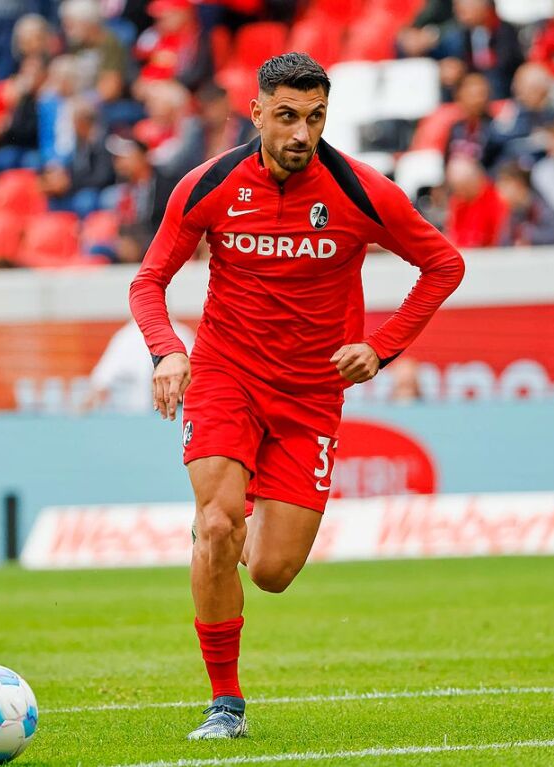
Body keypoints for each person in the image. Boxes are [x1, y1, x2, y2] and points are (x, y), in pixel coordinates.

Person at [128, 53, 465, 740]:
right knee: (218, 524)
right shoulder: (210, 185)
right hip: (225, 375)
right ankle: (225, 701)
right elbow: (147, 282)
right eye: (285, 116)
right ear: (255, 112)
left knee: (274, 571)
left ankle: (233, 516)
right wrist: (167, 349)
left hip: (311, 396)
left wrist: (382, 345)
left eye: (313, 118)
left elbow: (443, 263)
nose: (300, 133)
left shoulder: (359, 190)